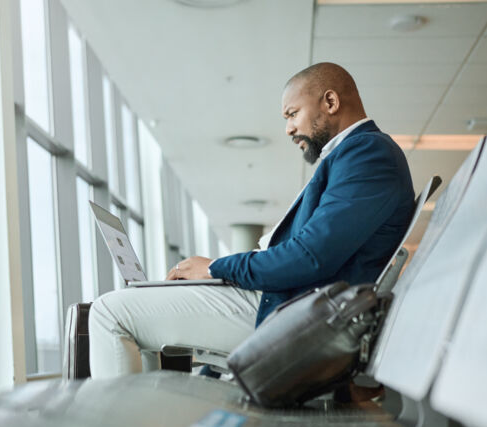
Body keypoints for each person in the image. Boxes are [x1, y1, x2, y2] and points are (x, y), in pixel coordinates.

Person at [88, 62, 414, 379]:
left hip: (293, 311)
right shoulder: (353, 155)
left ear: (330, 101)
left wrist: (216, 268)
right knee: (140, 311)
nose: (288, 128)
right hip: (290, 301)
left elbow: (310, 257)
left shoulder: (368, 154)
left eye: (292, 114)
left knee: (109, 313)